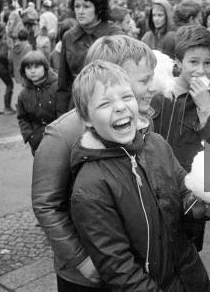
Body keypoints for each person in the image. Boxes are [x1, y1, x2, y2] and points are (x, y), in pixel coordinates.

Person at [33, 35, 165, 291]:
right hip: (86, 275)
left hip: (133, 263)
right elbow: (46, 203)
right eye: (144, 80)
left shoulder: (140, 120)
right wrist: (79, 258)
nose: (154, 87)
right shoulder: (63, 133)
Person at [69, 60, 210, 291]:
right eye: (105, 103)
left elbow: (185, 195)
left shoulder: (156, 144)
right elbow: (119, 269)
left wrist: (208, 202)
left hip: (190, 276)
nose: (120, 107)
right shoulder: (91, 187)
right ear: (86, 118)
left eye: (127, 97)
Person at [151, 24, 210, 251]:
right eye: (193, 62)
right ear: (178, 63)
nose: (201, 70)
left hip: (190, 189)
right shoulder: (160, 95)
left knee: (187, 250)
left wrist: (206, 109)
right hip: (155, 183)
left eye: (208, 63)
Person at [56, 0, 122, 116]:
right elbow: (63, 83)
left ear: (98, 8)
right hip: (76, 107)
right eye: (77, 6)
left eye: (86, 6)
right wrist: (61, 117)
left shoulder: (116, 36)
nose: (80, 11)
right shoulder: (69, 37)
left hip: (110, 106)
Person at [17, 50, 58, 155]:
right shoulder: (23, 94)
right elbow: (22, 118)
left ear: (45, 67)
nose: (32, 71)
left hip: (59, 139)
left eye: (36, 67)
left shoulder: (57, 86)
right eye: (28, 68)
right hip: (37, 143)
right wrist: (30, 136)